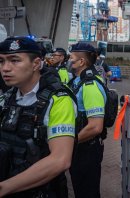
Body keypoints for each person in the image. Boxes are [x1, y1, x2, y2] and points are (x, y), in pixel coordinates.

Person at [0, 37, 76, 197]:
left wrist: (4, 187)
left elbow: (60, 159)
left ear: (36, 64)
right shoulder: (7, 97)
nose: (5, 68)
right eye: (1, 61)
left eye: (15, 61)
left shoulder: (59, 100)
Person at [68, 42, 107, 198]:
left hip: (86, 149)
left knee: (87, 192)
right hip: (79, 146)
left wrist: (70, 142)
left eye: (71, 58)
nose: (68, 61)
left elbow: (95, 127)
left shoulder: (90, 86)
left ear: (82, 62)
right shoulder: (77, 81)